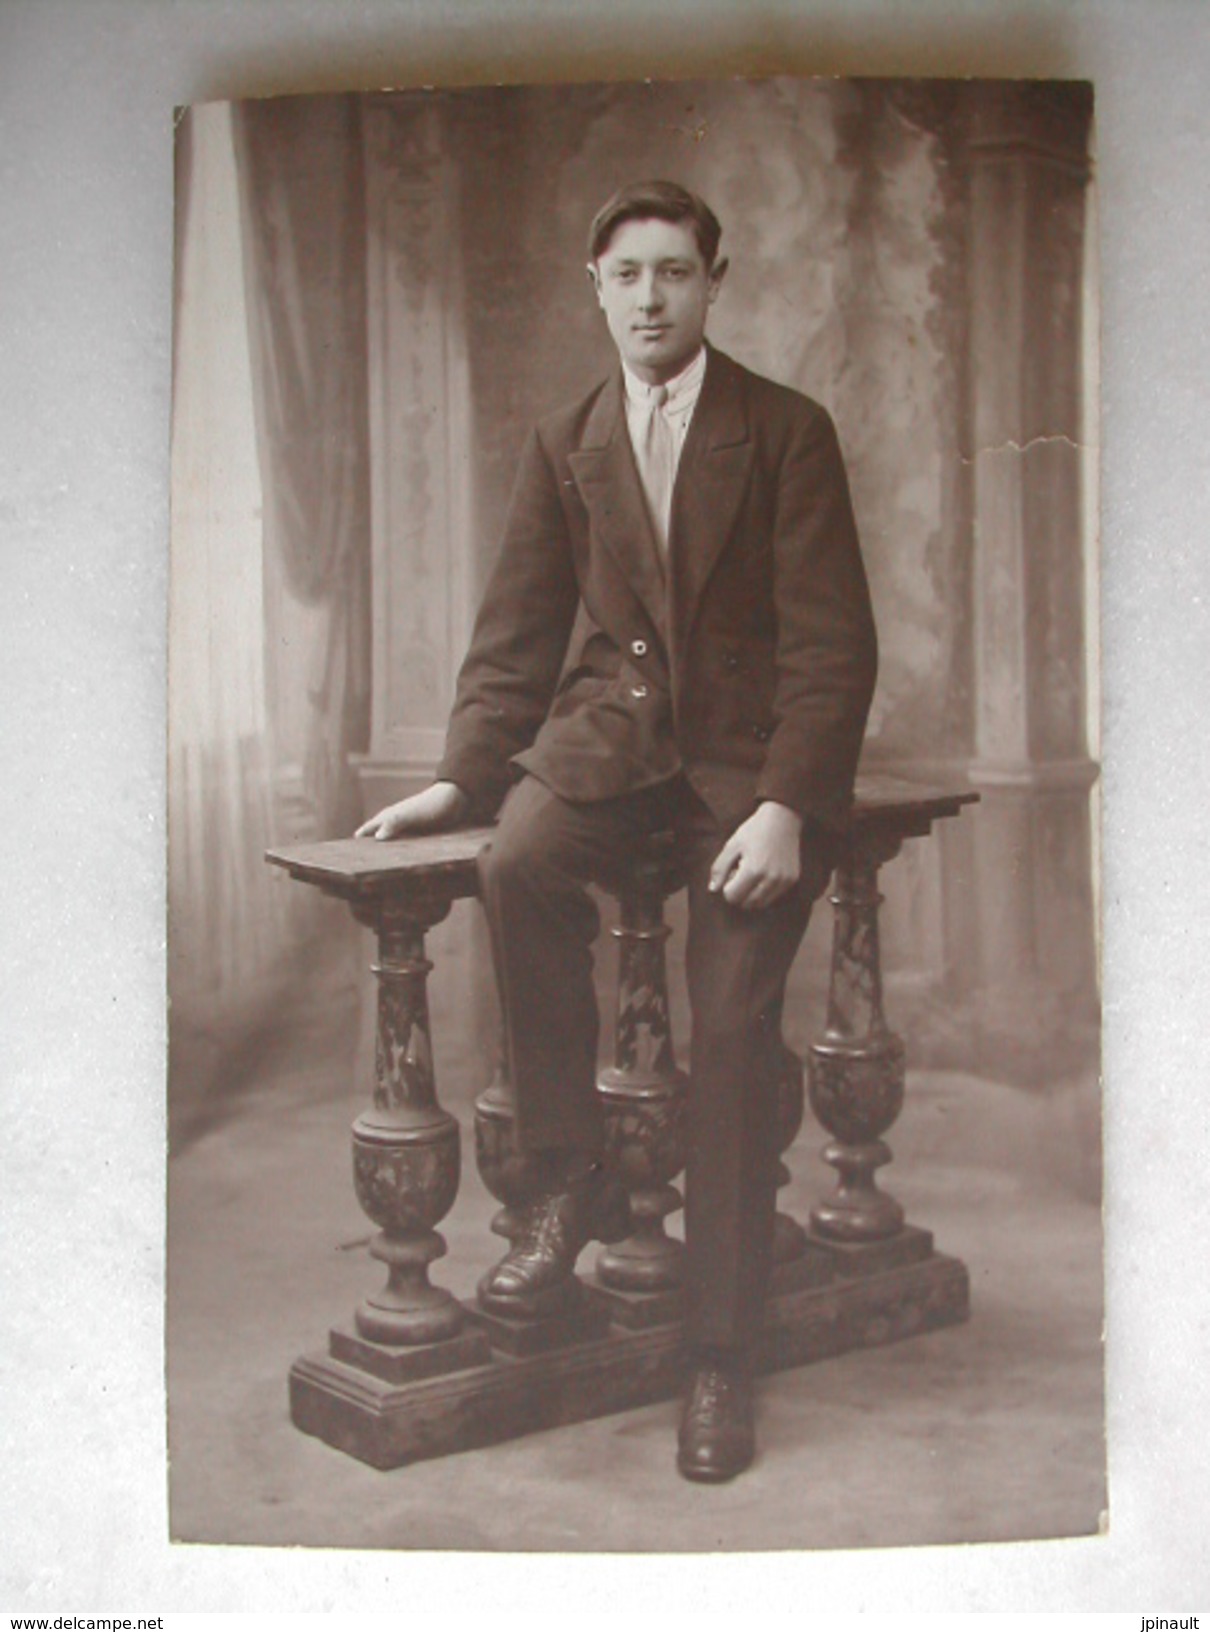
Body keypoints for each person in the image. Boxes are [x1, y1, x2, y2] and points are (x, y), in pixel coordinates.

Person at [357, 180, 878, 1482]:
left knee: (732, 1025)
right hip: (605, 754)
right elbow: (519, 632)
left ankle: (716, 1357)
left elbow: (832, 645)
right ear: (595, 286)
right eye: (625, 274)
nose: (648, 297)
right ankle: (563, 1182)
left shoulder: (784, 429)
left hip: (739, 773)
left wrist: (783, 804)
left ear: (712, 282)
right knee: (514, 861)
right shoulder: (570, 436)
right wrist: (458, 777)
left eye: (673, 273)